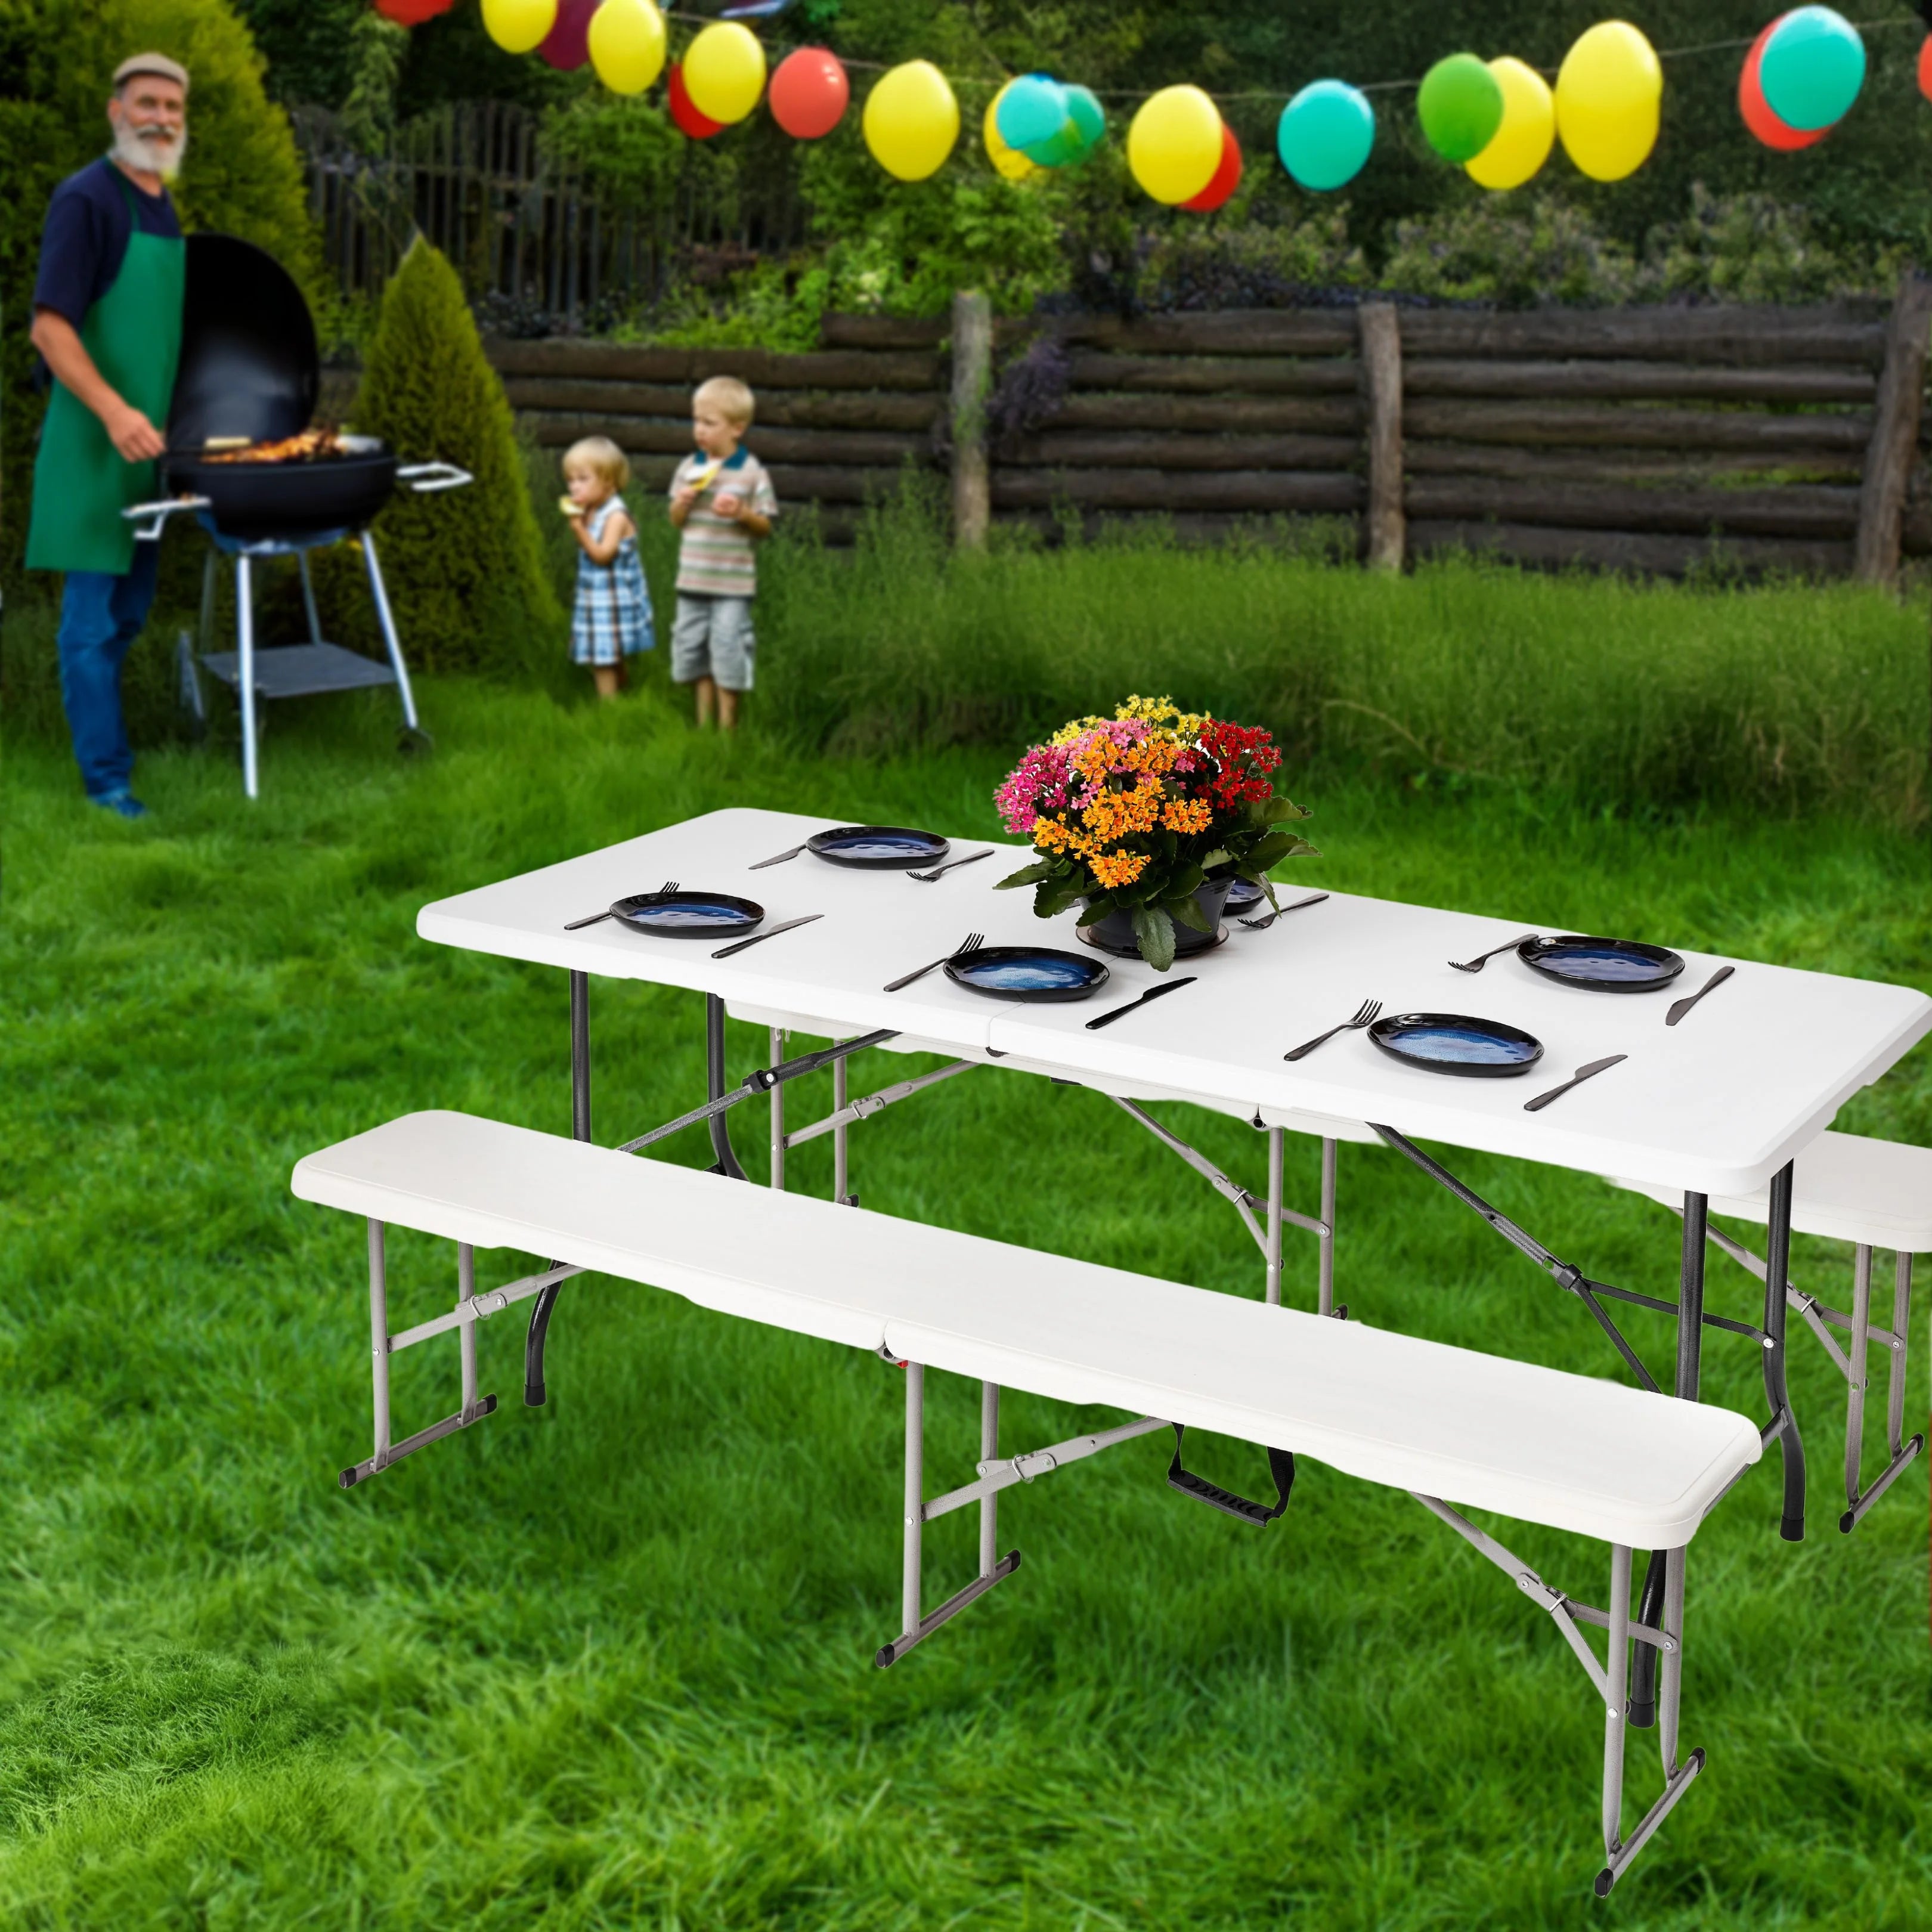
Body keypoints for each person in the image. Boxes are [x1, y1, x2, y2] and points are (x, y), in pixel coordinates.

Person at [26, 53, 191, 820]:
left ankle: (107, 745)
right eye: (147, 103)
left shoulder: (162, 207)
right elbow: (50, 328)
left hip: (147, 454)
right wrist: (117, 413)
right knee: (90, 626)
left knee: (128, 616)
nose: (161, 117)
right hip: (94, 448)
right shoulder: (87, 198)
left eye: (174, 107)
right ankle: (106, 785)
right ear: (115, 110)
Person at [667, 375, 777, 732]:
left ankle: (728, 730)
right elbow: (676, 522)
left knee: (727, 648)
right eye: (696, 421)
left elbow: (765, 526)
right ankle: (704, 725)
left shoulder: (752, 472)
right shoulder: (688, 468)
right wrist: (682, 504)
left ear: (737, 428)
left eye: (709, 424)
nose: (700, 430)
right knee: (694, 648)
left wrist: (742, 514)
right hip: (692, 580)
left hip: (732, 585)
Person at [560, 436, 654, 699]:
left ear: (609, 482)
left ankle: (609, 711)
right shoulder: (590, 509)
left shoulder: (616, 516)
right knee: (606, 653)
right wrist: (582, 521)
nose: (573, 487)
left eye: (582, 479)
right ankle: (624, 690)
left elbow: (602, 555)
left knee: (603, 659)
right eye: (570, 480)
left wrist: (579, 530)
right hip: (596, 598)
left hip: (615, 599)